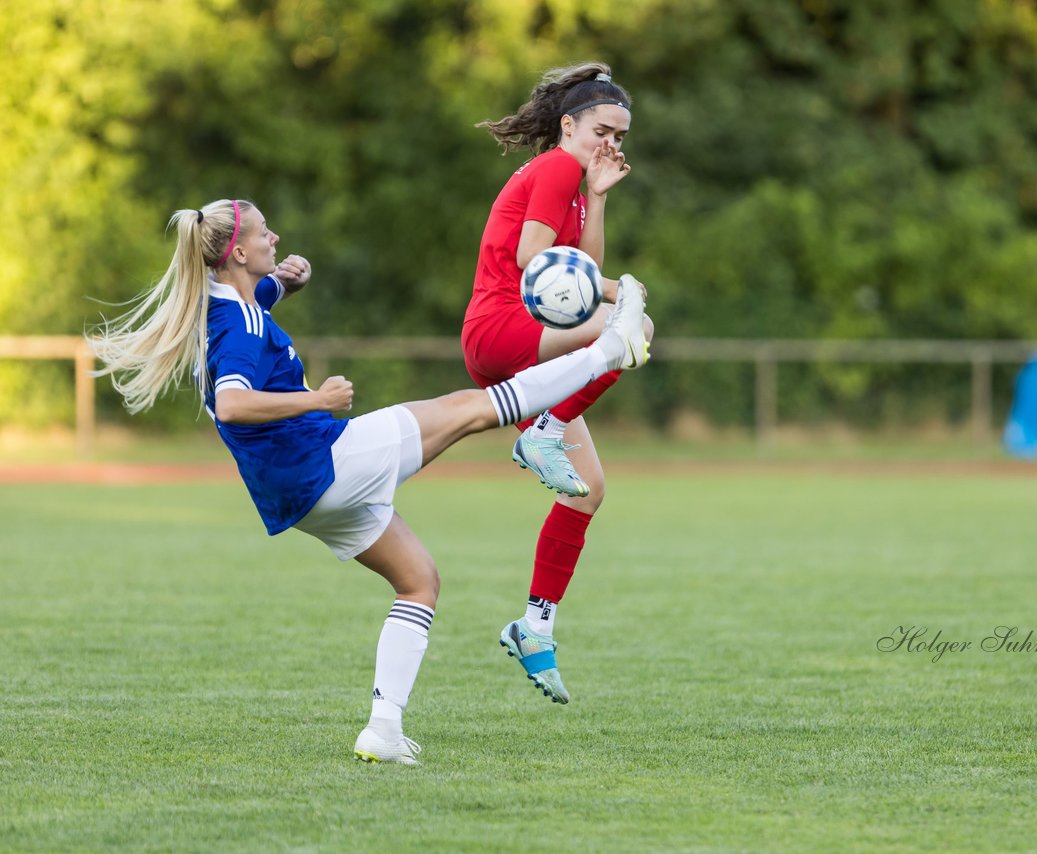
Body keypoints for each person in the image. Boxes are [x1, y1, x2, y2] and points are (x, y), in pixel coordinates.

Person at [88, 198, 650, 764]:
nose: (275, 237)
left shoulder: (221, 302)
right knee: (471, 408)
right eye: (264, 234)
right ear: (237, 252)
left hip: (299, 498)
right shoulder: (239, 322)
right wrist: (319, 399)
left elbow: (253, 302)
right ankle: (609, 348)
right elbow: (232, 403)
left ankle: (383, 731)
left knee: (419, 582)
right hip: (326, 461)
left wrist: (283, 282)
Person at [463, 61, 653, 705]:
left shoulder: (578, 182)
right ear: (568, 125)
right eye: (603, 130)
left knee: (588, 492)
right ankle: (543, 430)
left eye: (621, 136)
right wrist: (621, 291)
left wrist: (598, 198)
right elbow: (534, 264)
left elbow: (581, 268)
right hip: (501, 329)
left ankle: (534, 626)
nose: (612, 144)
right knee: (630, 324)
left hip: (524, 342)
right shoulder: (555, 168)